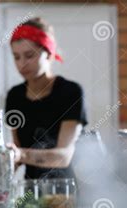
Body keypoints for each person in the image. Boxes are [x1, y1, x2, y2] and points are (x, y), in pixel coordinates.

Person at [5, 18, 87, 179]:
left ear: (48, 54)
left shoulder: (70, 92)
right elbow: (17, 154)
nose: (22, 64)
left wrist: (20, 154)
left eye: (29, 55)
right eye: (16, 57)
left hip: (65, 190)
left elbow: (64, 156)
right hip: (30, 190)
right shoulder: (15, 96)